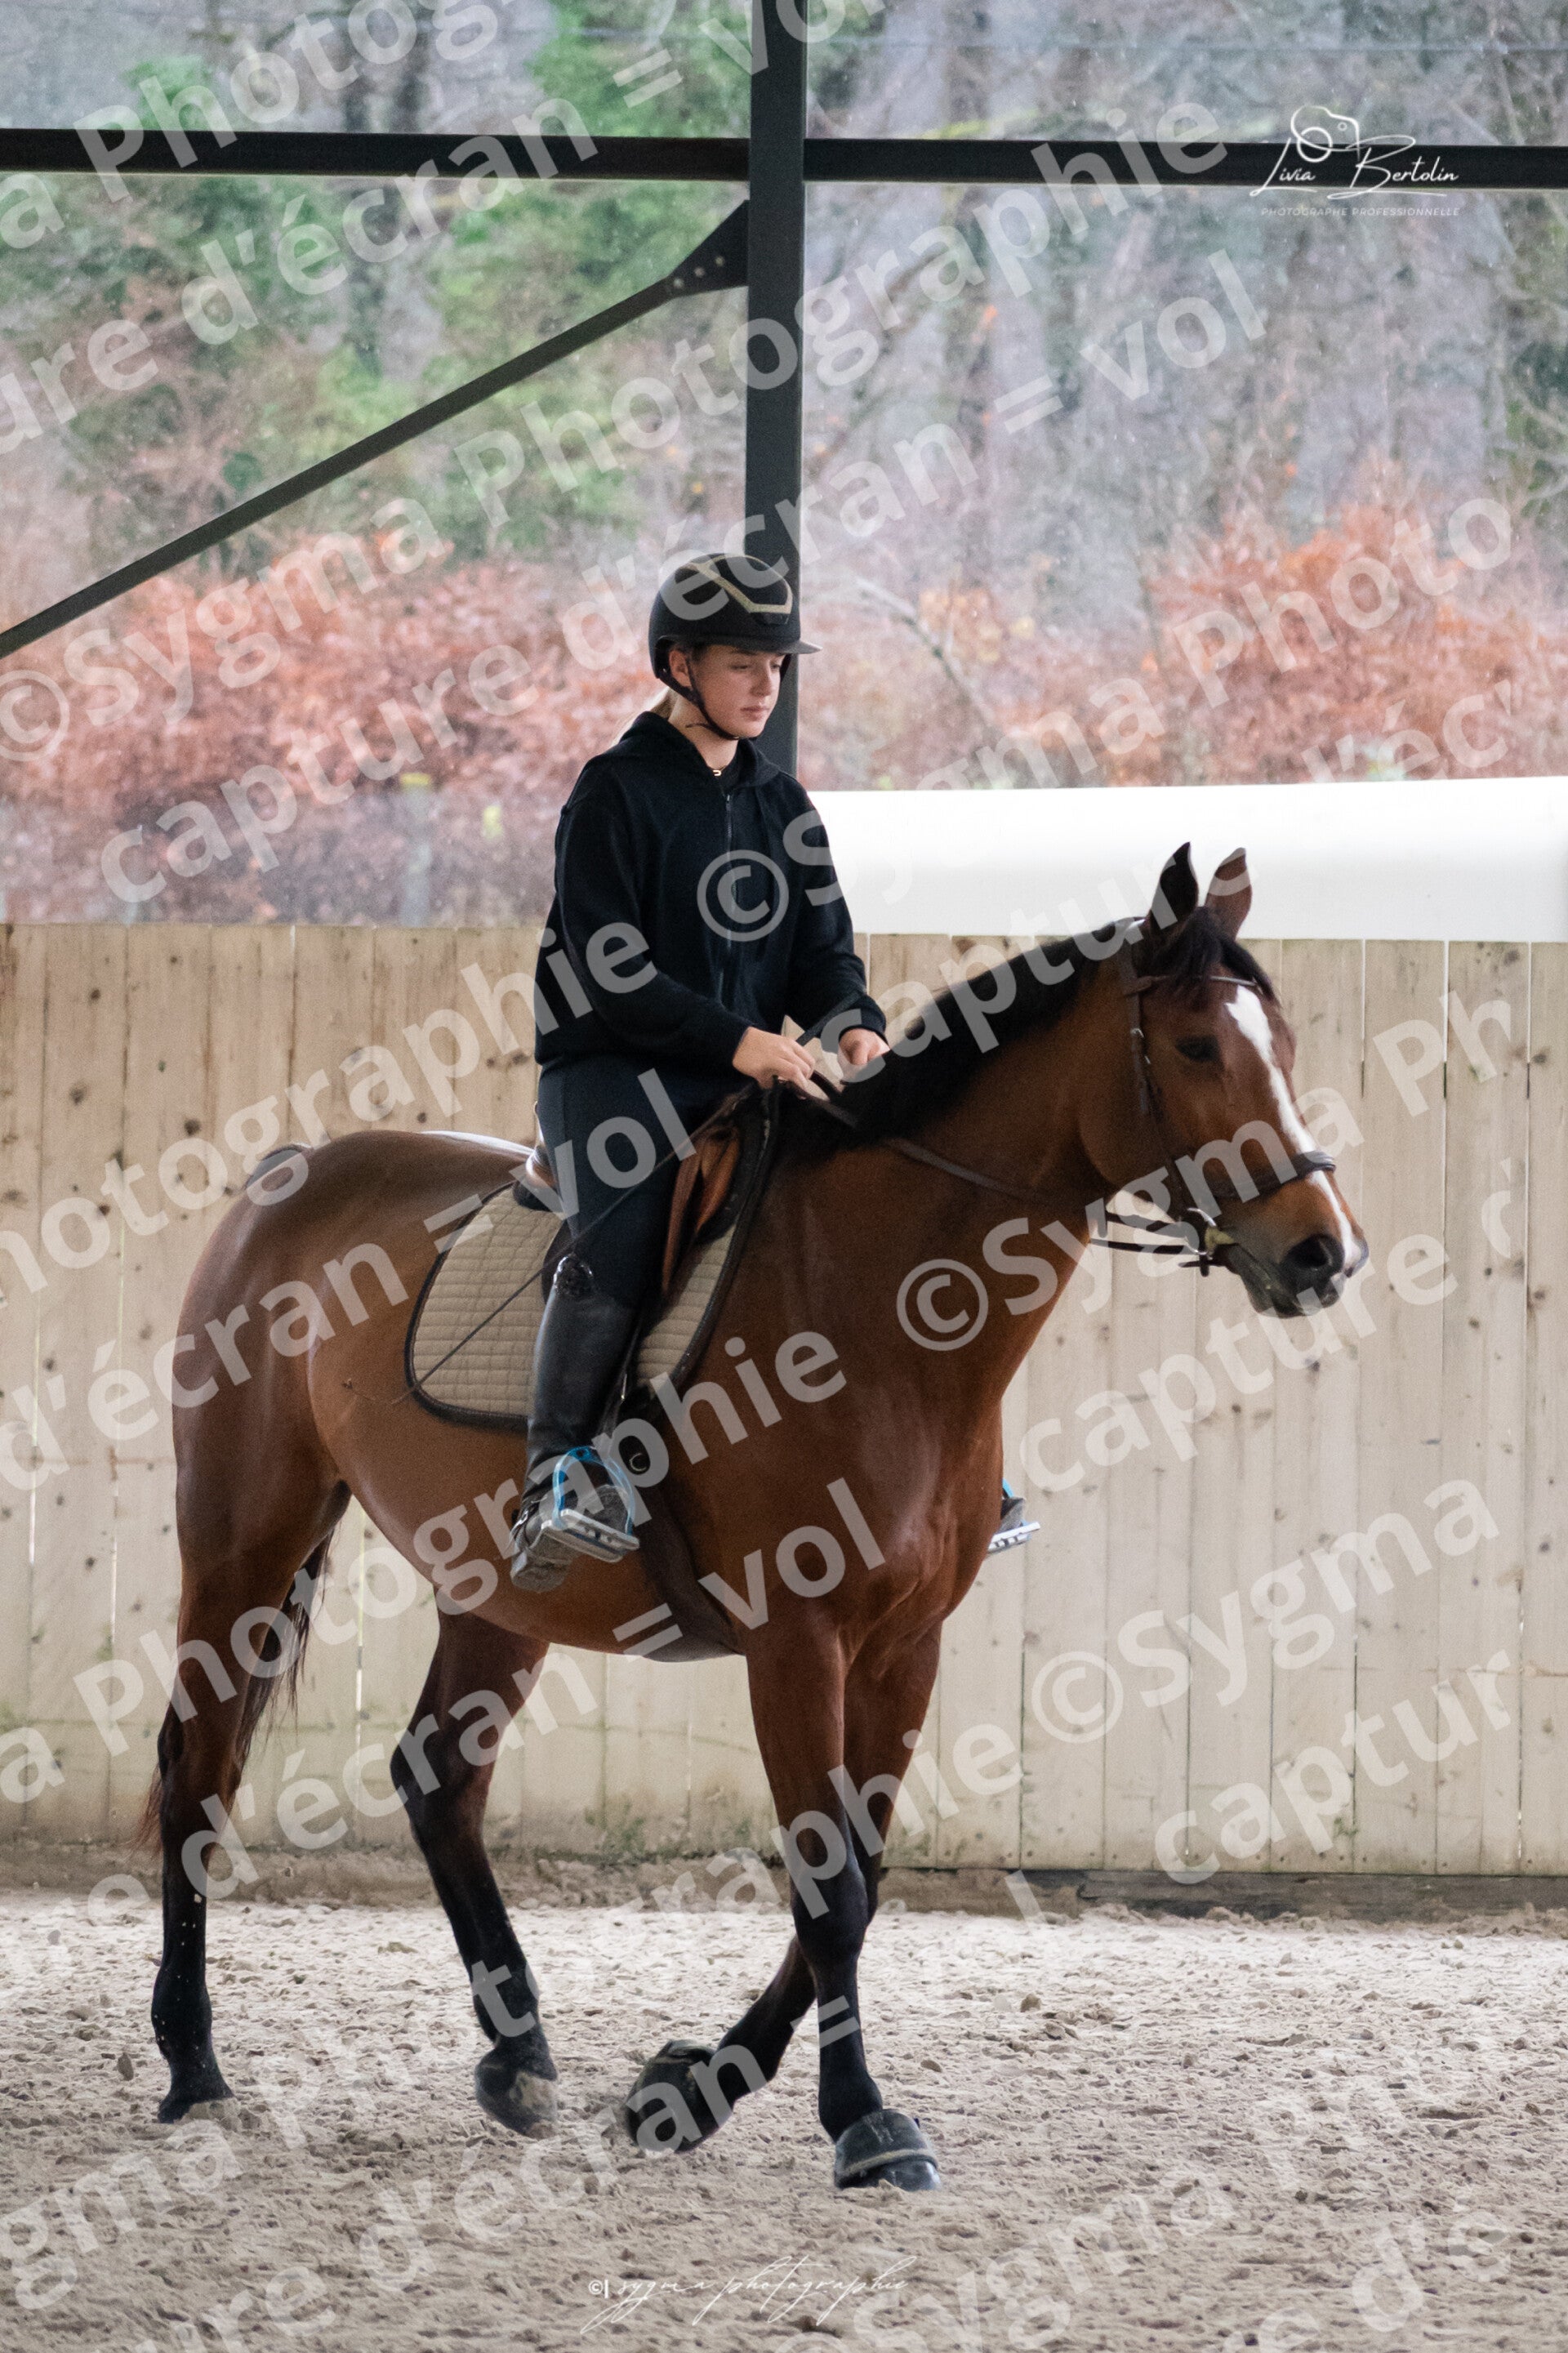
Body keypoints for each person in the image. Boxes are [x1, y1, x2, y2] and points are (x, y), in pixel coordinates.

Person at [510, 550, 1038, 1580]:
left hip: (749, 1071)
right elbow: (610, 970)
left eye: (779, 666)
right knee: (626, 1224)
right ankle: (557, 1470)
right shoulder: (613, 792)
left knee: (877, 1199)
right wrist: (737, 1040)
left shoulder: (783, 805)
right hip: (614, 1071)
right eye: (743, 664)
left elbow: (823, 956)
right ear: (680, 666)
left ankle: (950, 1461)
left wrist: (855, 1028)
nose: (767, 685)